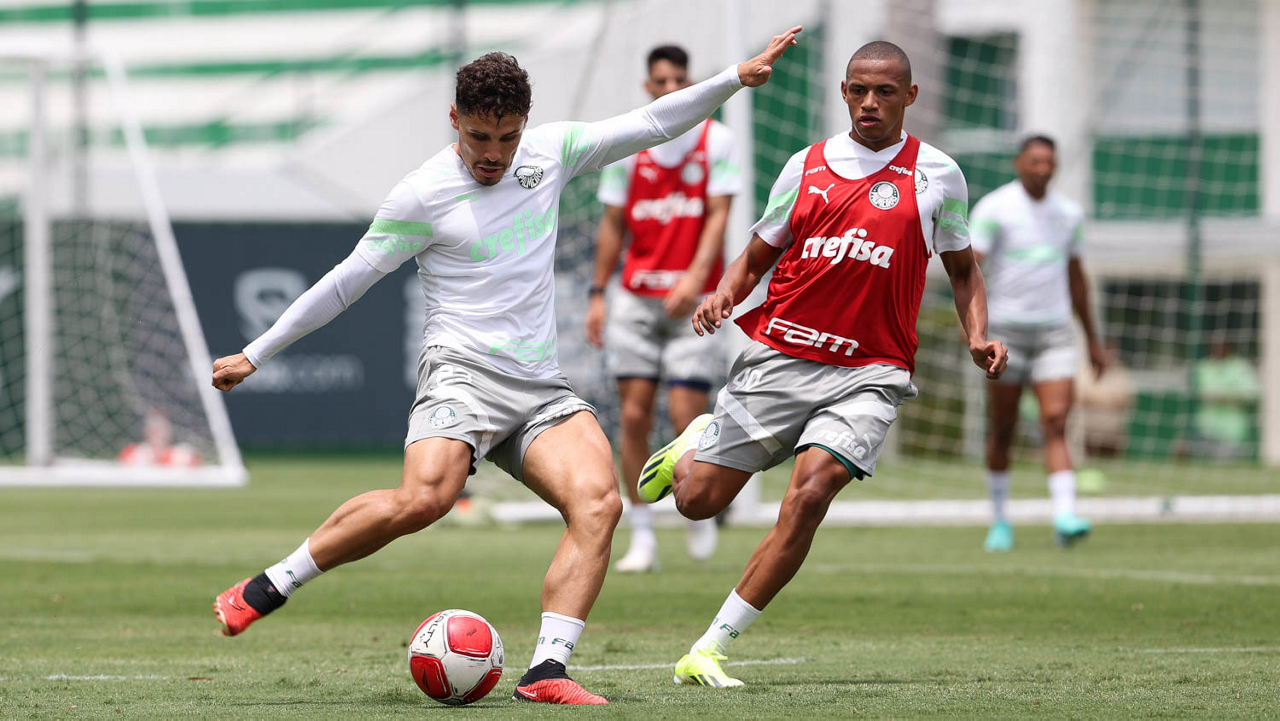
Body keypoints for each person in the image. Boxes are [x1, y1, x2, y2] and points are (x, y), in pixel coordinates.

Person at [208, 28, 801, 706]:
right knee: (425, 499)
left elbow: (649, 123)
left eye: (508, 138)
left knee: (599, 502)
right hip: (460, 373)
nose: (493, 154)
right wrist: (256, 353)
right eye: (479, 137)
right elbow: (345, 282)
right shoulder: (421, 195)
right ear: (454, 119)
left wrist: (732, 78)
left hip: (538, 388)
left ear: (525, 125)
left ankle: (547, 670)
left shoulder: (550, 153)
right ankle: (270, 585)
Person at [635, 41, 1007, 687]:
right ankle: (695, 443)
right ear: (843, 92)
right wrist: (724, 294)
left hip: (872, 369)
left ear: (910, 96)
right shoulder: (804, 166)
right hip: (782, 354)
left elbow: (963, 269)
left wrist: (978, 334)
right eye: (858, 90)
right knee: (696, 502)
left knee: (809, 495)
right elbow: (757, 254)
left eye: (884, 92)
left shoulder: (938, 174)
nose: (870, 103)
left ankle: (710, 648)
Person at [586, 44, 740, 572]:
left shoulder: (716, 140)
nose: (671, 89)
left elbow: (719, 215)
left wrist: (695, 278)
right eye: (662, 81)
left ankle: (697, 509)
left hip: (693, 301)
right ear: (647, 88)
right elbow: (612, 223)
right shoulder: (630, 145)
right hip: (635, 297)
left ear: (690, 84)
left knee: (685, 415)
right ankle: (643, 536)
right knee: (633, 415)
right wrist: (598, 293)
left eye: (680, 80)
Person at [969, 135, 1104, 552]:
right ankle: (1000, 522)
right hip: (1006, 335)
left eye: (1049, 162)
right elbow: (970, 271)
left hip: (1054, 333)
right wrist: (975, 332)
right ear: (1019, 163)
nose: (1043, 168)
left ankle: (1065, 515)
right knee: (1004, 427)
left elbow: (1076, 277)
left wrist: (1093, 339)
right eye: (1035, 161)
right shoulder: (995, 208)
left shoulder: (1068, 213)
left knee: (1056, 421)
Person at [1193, 337, 1260, 459]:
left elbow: (1252, 395)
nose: (1218, 349)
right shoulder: (1203, 366)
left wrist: (1227, 398)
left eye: (1221, 345)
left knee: (1225, 463)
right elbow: (1197, 392)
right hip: (1207, 427)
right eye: (1214, 346)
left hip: (1232, 431)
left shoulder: (1240, 367)